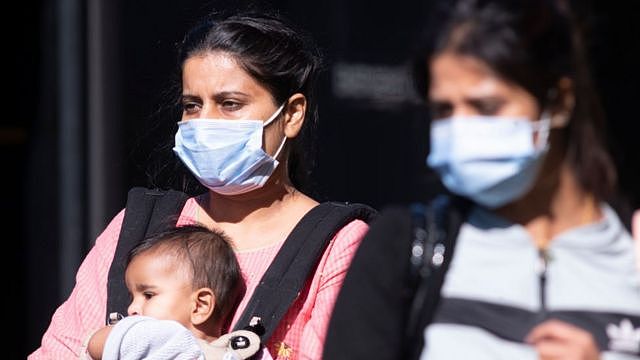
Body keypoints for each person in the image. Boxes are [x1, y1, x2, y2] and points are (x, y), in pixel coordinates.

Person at [30, 10, 370, 360]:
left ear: (291, 114)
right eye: (192, 105)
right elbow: (61, 351)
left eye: (230, 104)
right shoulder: (138, 228)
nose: (204, 122)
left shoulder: (337, 247)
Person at [324, 0, 640, 359]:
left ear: (560, 102)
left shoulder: (631, 251)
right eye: (444, 109)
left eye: (487, 107)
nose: (461, 127)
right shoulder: (406, 248)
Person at [83, 224, 262, 360]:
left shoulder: (169, 339)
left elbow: (101, 341)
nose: (131, 309)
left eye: (148, 295)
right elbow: (103, 342)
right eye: (132, 297)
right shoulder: (159, 340)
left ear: (200, 306)